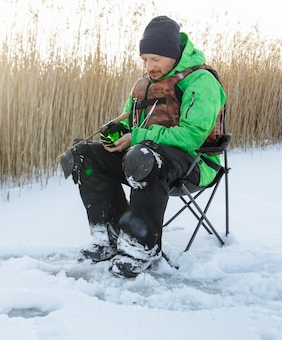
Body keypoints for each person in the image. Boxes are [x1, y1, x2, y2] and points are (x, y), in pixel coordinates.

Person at [69, 15, 227, 277]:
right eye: (145, 59)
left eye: (155, 59)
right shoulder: (144, 85)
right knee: (84, 155)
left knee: (143, 155)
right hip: (142, 159)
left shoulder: (201, 82)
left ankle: (140, 249)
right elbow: (132, 127)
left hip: (194, 164)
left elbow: (191, 137)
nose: (149, 66)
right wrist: (119, 134)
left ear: (174, 54)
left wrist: (137, 137)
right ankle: (110, 237)